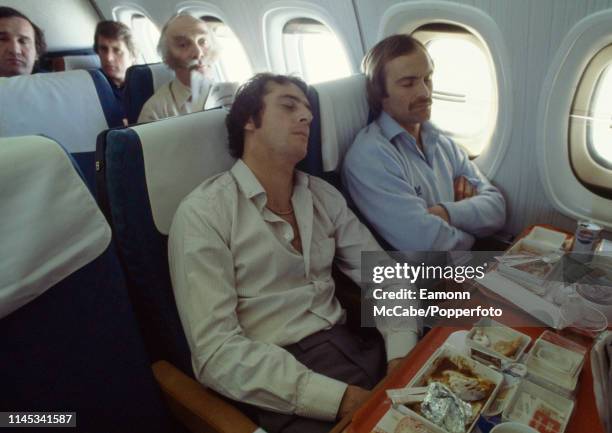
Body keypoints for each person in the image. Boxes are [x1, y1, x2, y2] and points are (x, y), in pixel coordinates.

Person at [168, 73, 419, 433]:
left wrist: (400, 360)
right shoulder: (204, 213)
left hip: (357, 347)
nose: (307, 117)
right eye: (289, 106)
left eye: (308, 110)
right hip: (278, 384)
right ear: (249, 121)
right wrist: (343, 398)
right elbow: (216, 353)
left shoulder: (322, 196)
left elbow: (386, 276)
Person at [342, 34, 506, 251]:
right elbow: (426, 244)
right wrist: (473, 229)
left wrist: (444, 213)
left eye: (427, 78)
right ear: (379, 93)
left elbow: (497, 209)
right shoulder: (370, 156)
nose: (425, 92)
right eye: (408, 84)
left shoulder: (442, 143)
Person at [138, 14, 236, 123]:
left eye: (203, 41)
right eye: (183, 45)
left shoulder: (234, 95)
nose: (198, 53)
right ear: (168, 55)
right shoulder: (155, 111)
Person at [93, 20, 137, 112]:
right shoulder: (92, 87)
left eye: (117, 50)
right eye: (103, 49)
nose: (109, 58)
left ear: (132, 55)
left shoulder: (146, 83)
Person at [0, 7, 46, 77]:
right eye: (2, 39)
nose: (15, 50)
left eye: (23, 41)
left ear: (37, 53)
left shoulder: (57, 85)